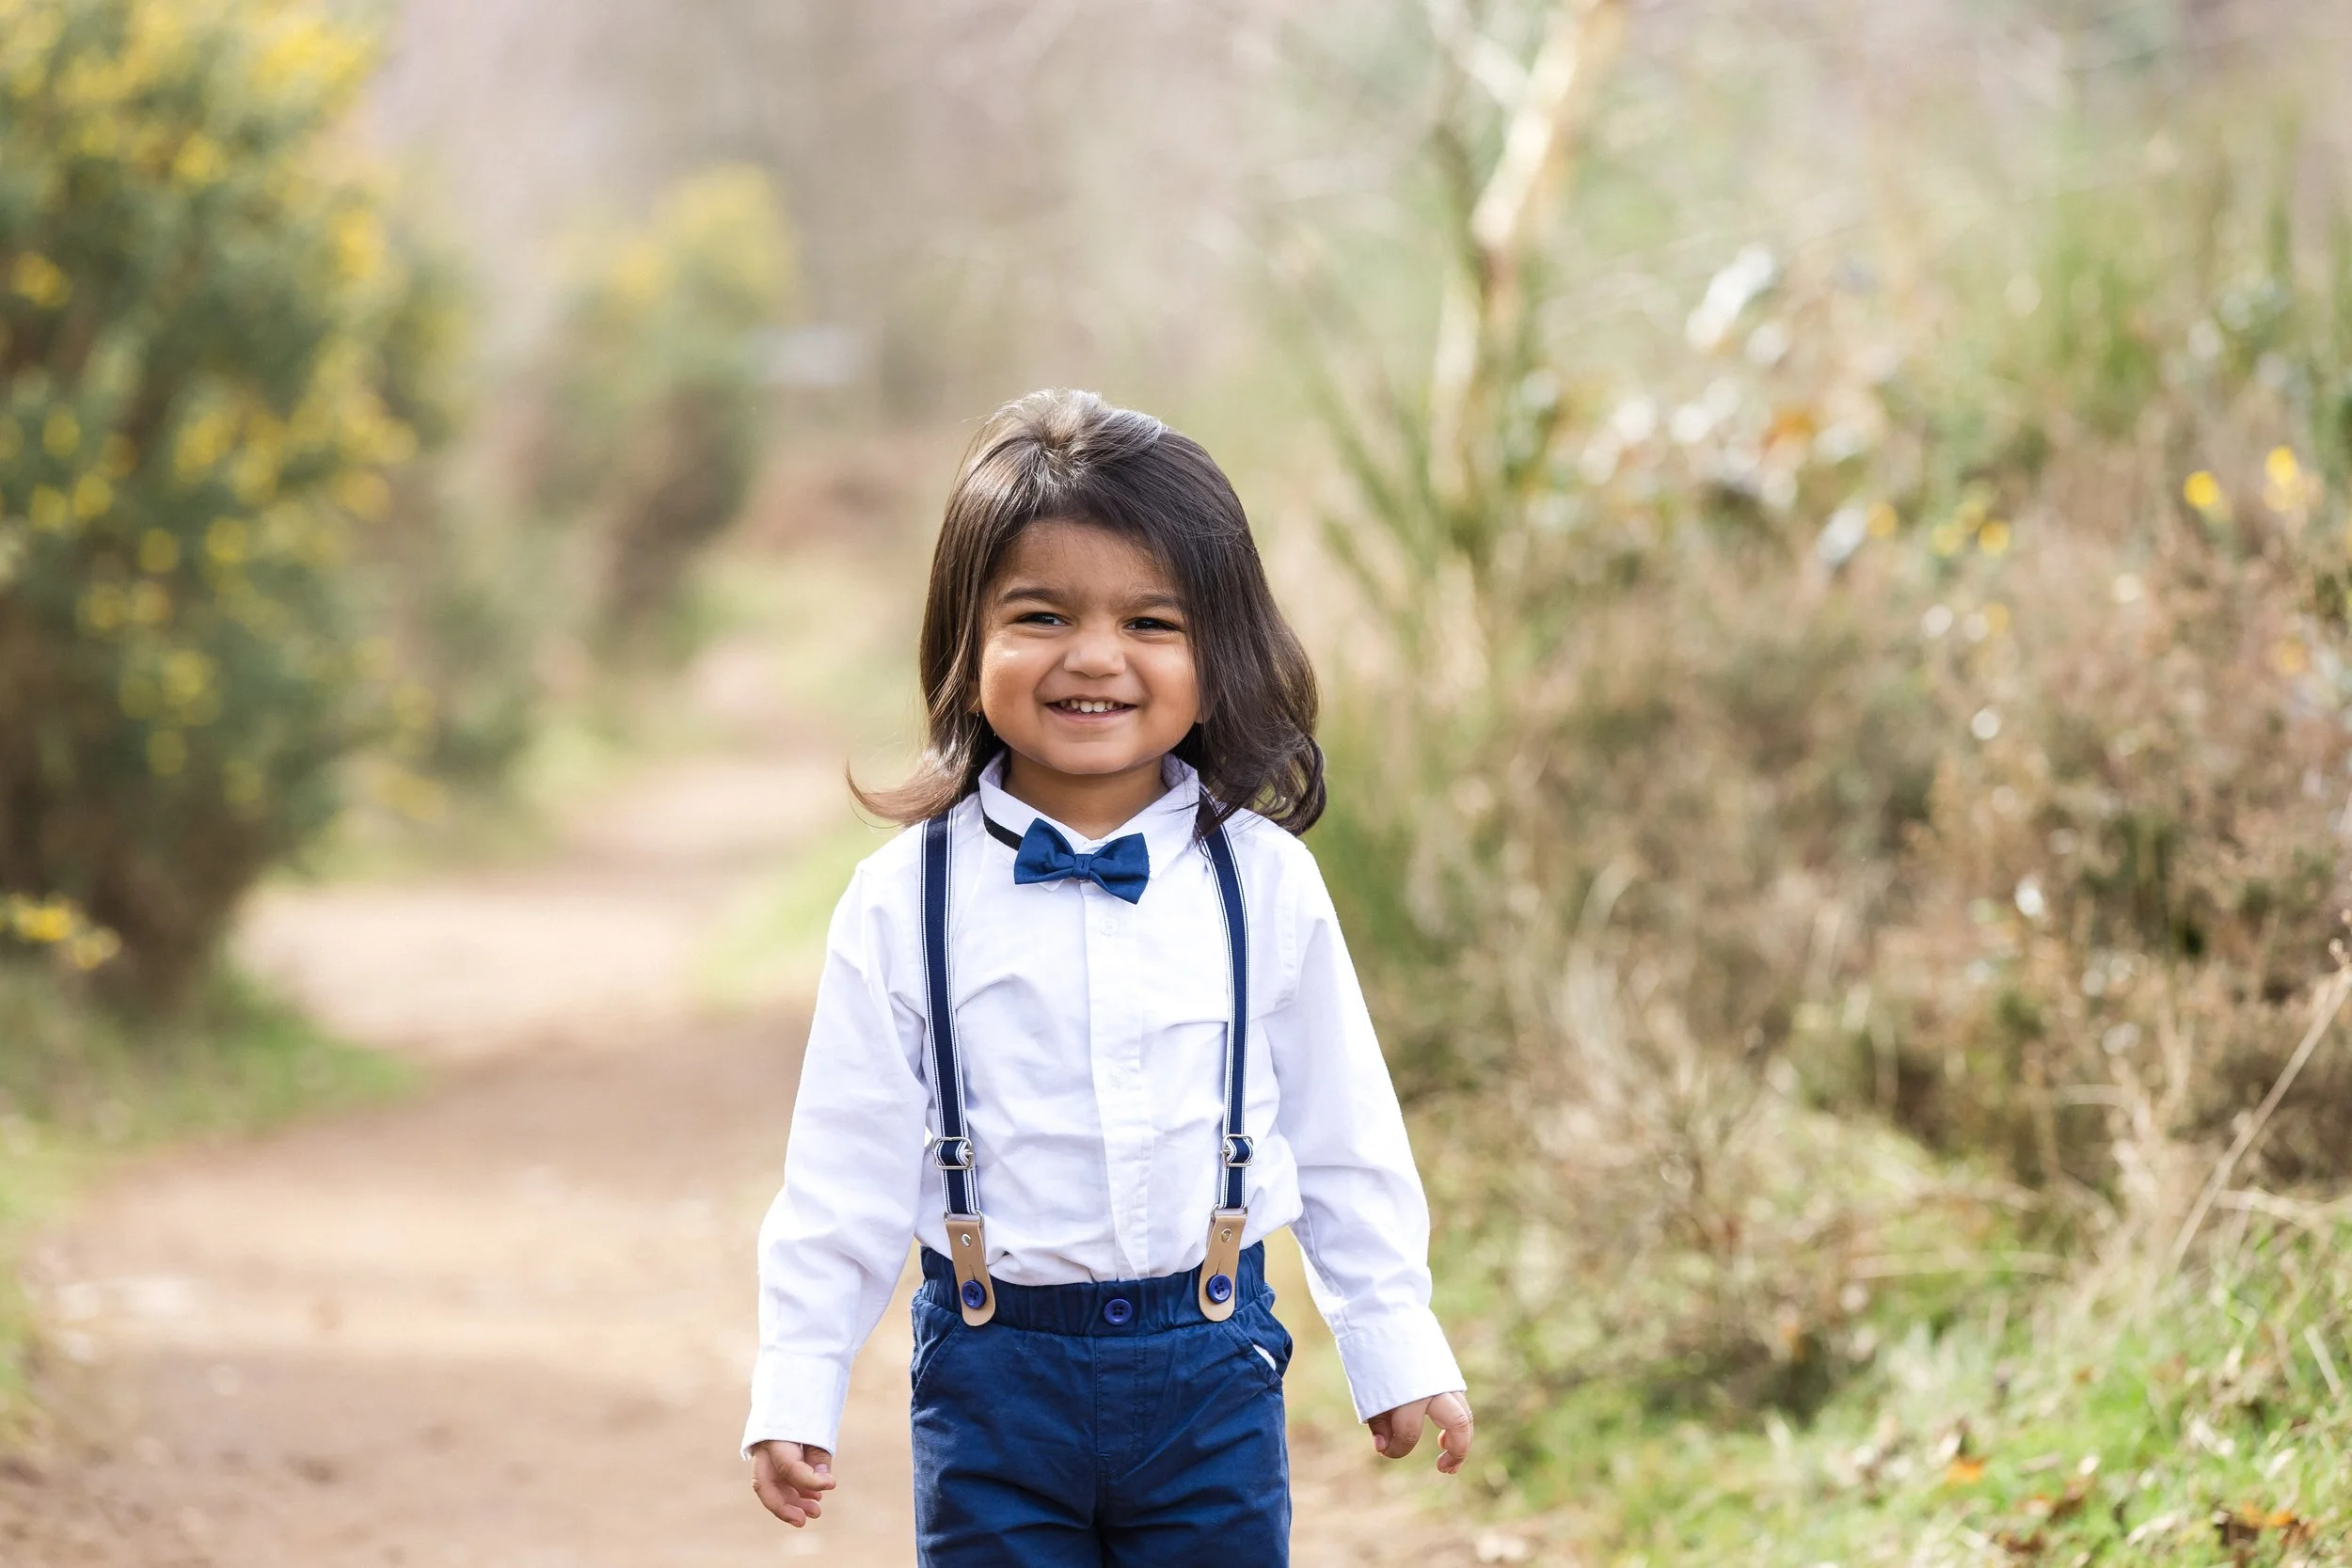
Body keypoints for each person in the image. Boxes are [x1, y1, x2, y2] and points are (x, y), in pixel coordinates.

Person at [744, 388, 1473, 1565]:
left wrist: (1393, 1345)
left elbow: (1344, 1134)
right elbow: (844, 1169)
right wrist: (797, 1381)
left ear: (1219, 649)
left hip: (1211, 1368)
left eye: (1151, 622)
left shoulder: (1265, 882)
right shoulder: (903, 898)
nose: (1094, 657)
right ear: (966, 640)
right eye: (1040, 615)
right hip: (993, 1375)